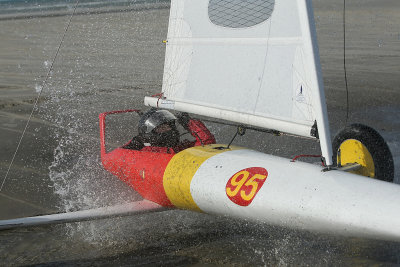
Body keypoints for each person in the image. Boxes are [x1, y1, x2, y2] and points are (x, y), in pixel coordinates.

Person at [123, 108, 215, 153]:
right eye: (162, 128)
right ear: (150, 133)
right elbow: (206, 141)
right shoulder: (147, 151)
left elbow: (207, 144)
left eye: (168, 126)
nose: (168, 129)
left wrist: (188, 122)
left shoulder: (180, 147)